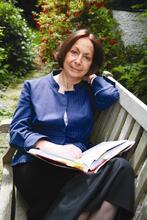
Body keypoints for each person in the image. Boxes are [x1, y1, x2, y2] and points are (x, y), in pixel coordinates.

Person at [10, 29, 134, 220]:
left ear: (92, 64)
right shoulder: (33, 87)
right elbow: (17, 131)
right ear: (64, 53)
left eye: (86, 57)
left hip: (75, 169)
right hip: (36, 166)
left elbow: (109, 95)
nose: (78, 61)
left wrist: (91, 77)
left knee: (122, 167)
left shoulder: (88, 91)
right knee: (61, 183)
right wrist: (50, 147)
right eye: (74, 52)